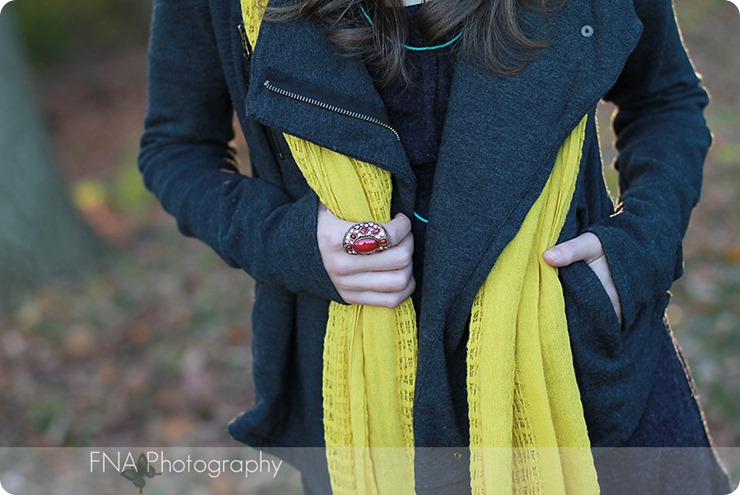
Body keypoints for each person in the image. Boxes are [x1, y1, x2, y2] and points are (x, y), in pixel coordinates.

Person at [138, 0, 733, 493]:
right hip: (364, 407)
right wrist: (289, 241)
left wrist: (638, 251)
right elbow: (177, 148)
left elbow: (664, 98)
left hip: (584, 376)